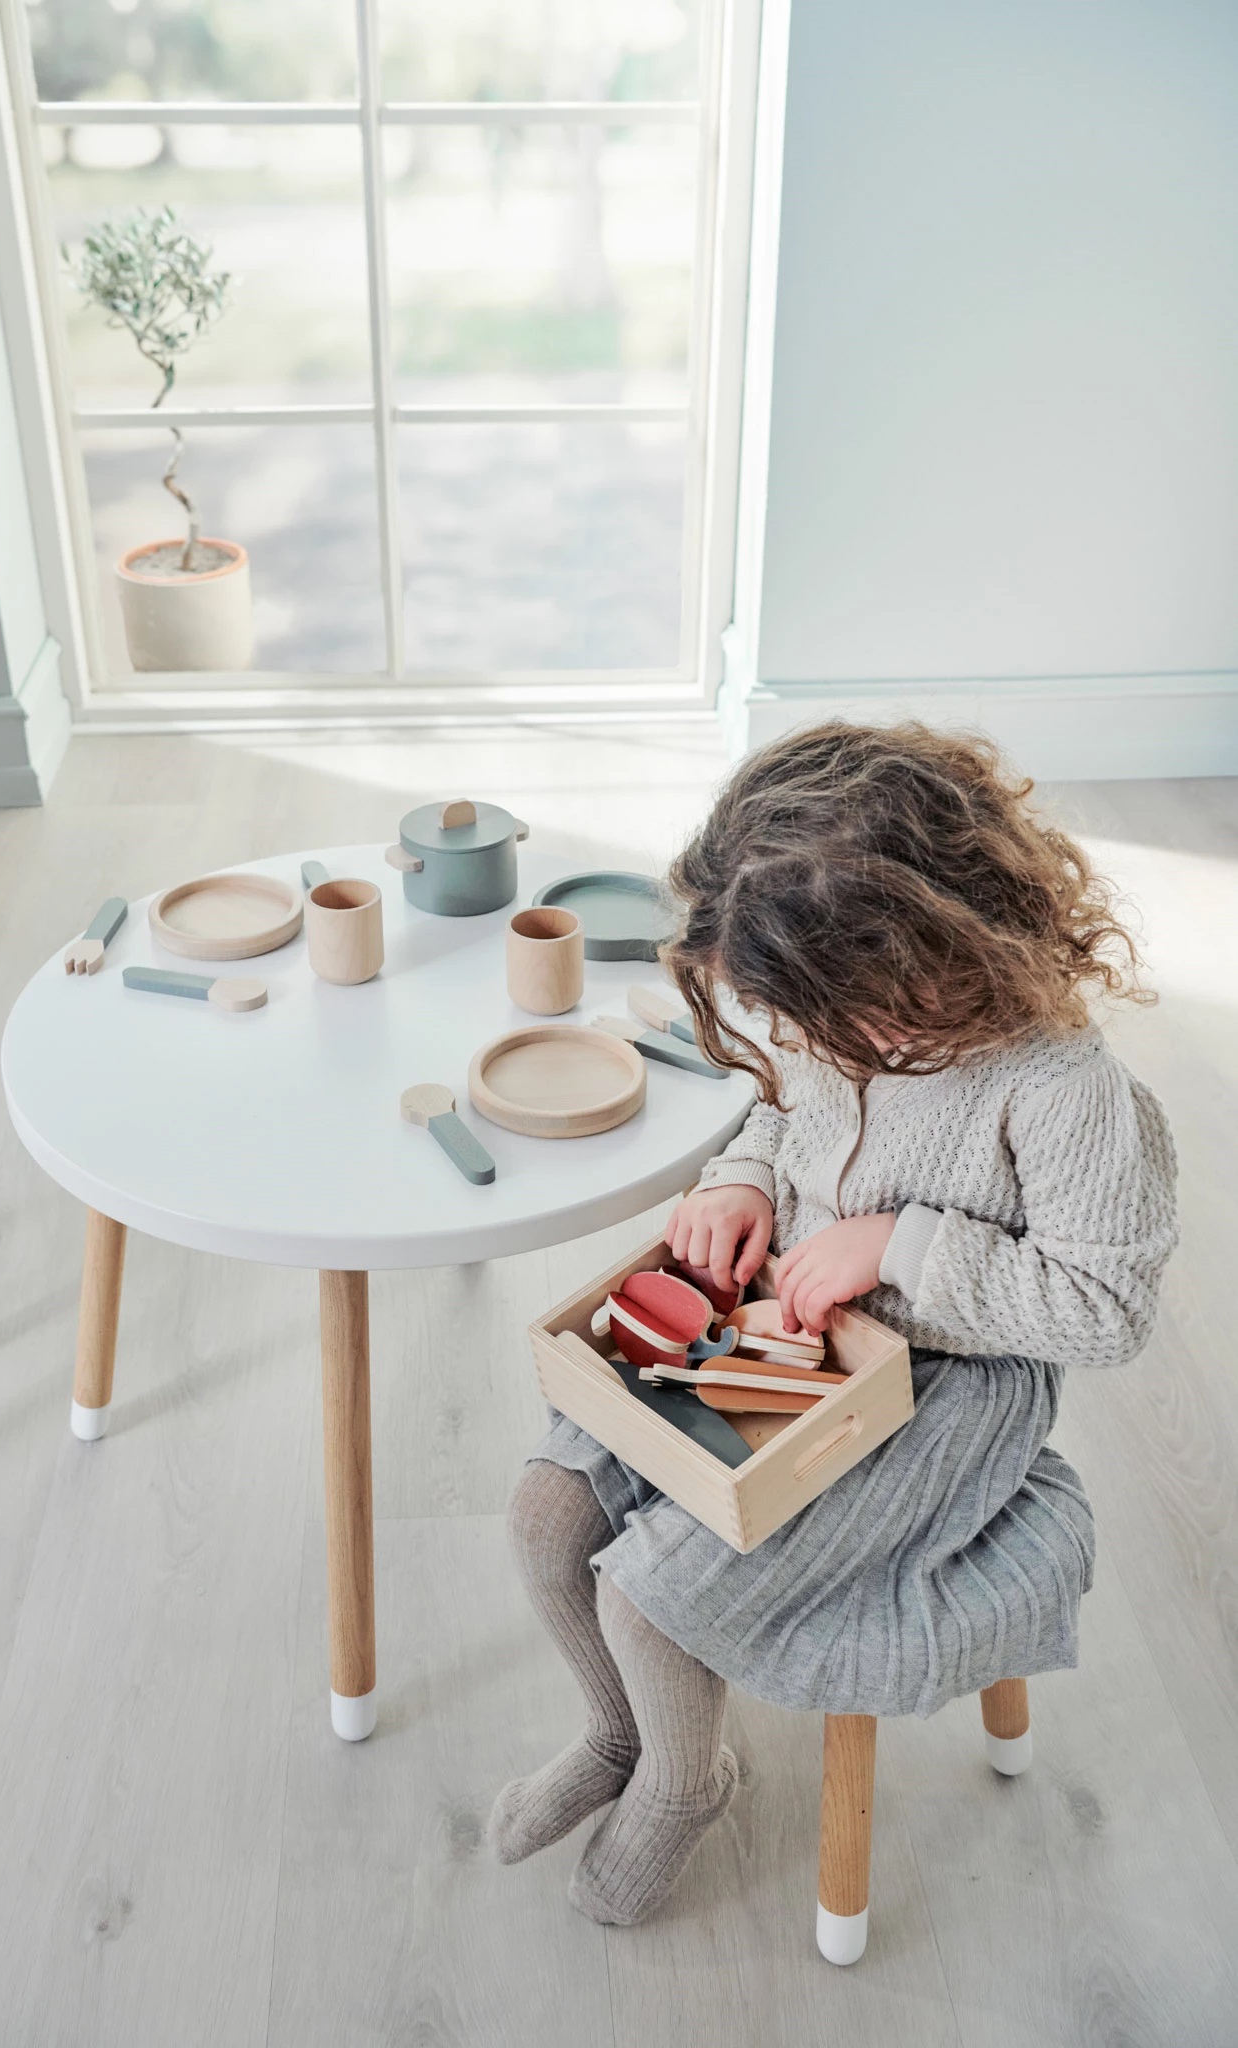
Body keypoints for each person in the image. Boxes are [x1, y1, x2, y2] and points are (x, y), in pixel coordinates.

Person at [491, 722, 1178, 1926]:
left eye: (830, 1018)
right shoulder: (837, 1014)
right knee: (549, 1512)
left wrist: (902, 1243)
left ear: (933, 958)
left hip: (952, 1384)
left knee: (655, 1597)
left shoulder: (1066, 1089)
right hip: (787, 1319)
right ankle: (619, 1734)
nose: (809, 1042)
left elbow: (1106, 1305)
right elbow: (784, 1107)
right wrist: (742, 1180)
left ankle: (686, 1777)